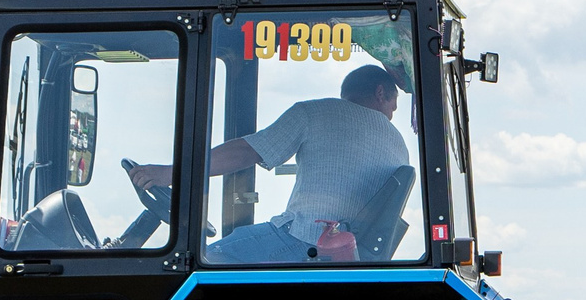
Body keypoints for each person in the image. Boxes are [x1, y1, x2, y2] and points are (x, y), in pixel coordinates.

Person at [130, 63, 408, 263]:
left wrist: (172, 174)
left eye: (392, 109)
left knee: (198, 265)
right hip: (349, 255)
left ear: (381, 92)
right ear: (381, 93)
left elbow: (248, 151)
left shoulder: (314, 112)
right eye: (392, 109)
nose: (390, 117)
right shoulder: (399, 145)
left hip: (302, 241)